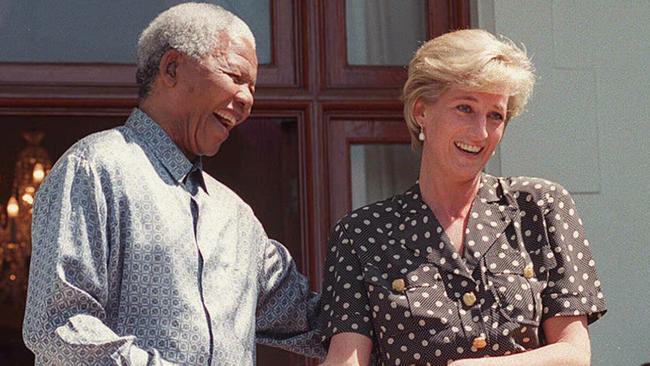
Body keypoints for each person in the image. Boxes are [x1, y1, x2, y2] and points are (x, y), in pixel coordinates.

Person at [22, 3, 323, 365]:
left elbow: (318, 321)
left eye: (252, 88)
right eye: (235, 76)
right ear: (172, 68)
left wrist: (398, 269)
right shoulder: (95, 169)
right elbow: (57, 325)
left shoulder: (239, 220)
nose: (247, 101)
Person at [318, 29, 606, 366]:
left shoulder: (541, 206)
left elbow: (574, 354)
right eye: (465, 108)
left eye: (495, 115)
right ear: (421, 112)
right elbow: (345, 360)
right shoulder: (361, 235)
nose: (480, 132)